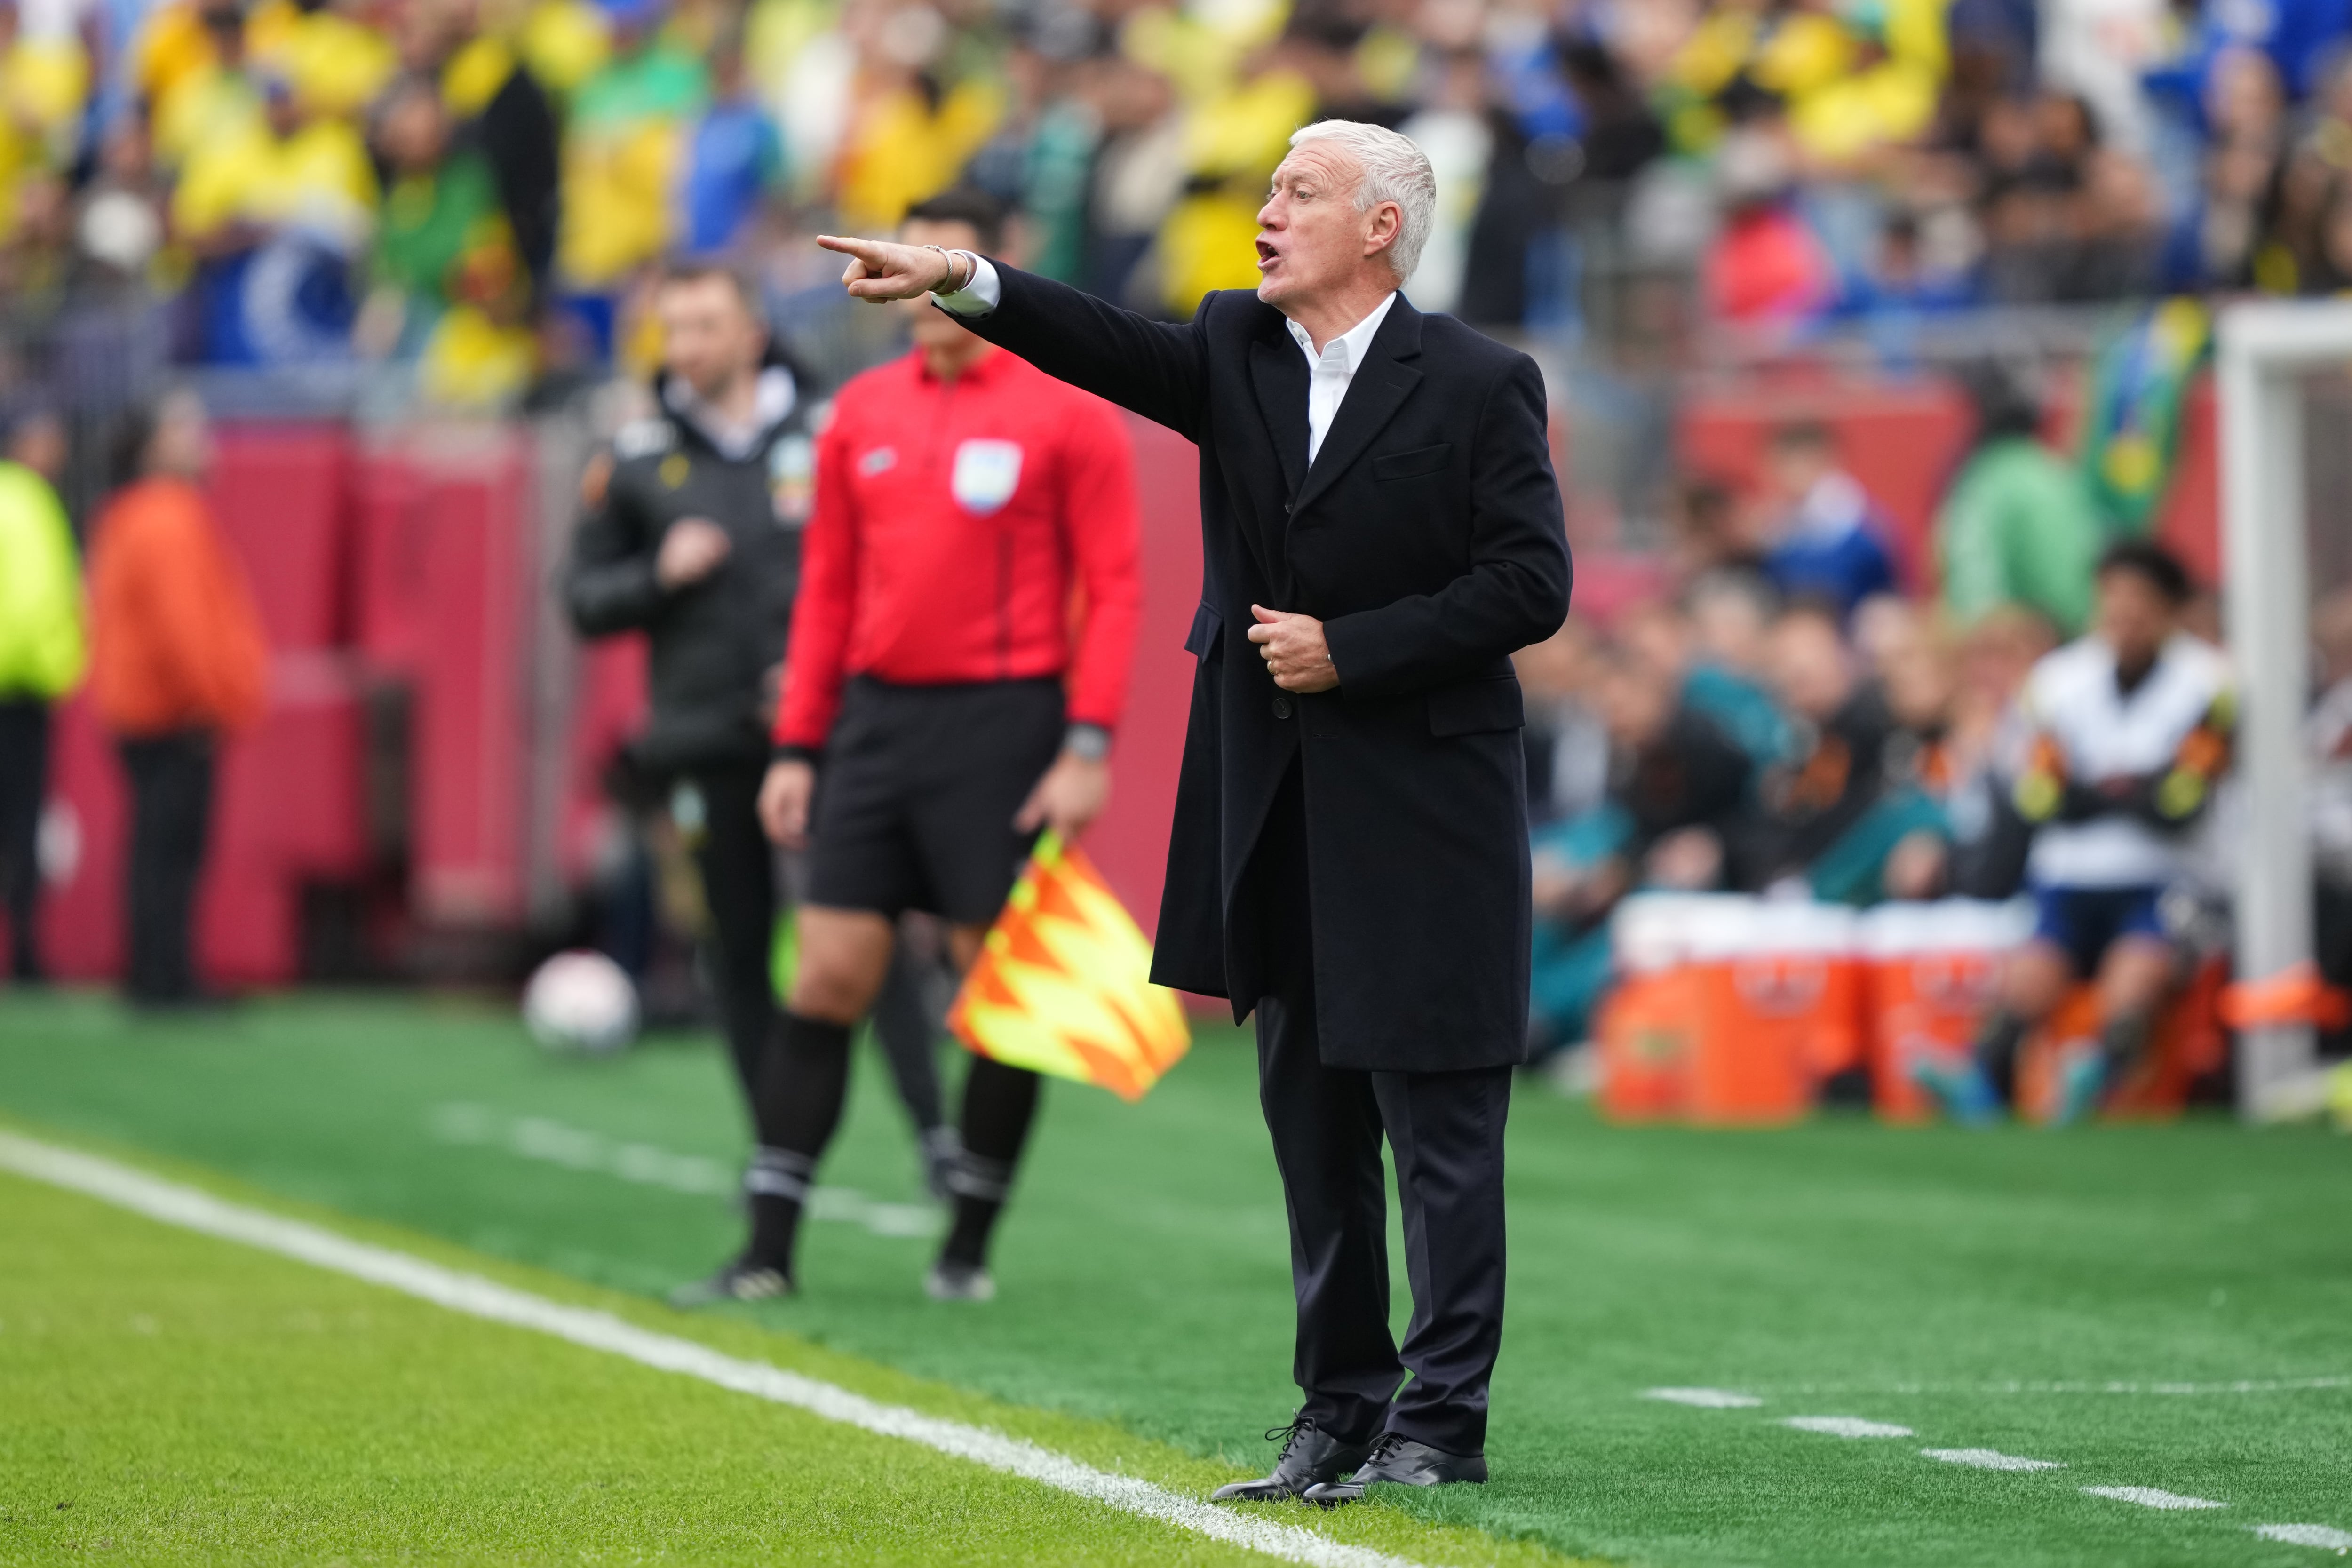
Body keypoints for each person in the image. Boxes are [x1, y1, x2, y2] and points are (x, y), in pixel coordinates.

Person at [816, 118, 1571, 1500]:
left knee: (1440, 1137)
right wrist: (956, 275)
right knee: (1309, 1125)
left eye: (1296, 193)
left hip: (1428, 817)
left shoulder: (1478, 381)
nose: (1266, 212)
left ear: (1380, 226)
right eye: (1269, 188)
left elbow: (1532, 587)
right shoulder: (1231, 346)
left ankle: (1440, 1424)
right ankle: (1337, 1407)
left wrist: (1356, 643)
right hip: (1275, 807)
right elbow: (1101, 340)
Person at [678, 188, 1144, 1306]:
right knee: (831, 972)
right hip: (875, 728)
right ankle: (767, 1254)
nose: (922, 282)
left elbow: (1116, 589)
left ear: (999, 262)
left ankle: (968, 1246)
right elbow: (828, 591)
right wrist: (798, 747)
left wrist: (1087, 743)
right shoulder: (860, 413)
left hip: (1006, 724)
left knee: (998, 992)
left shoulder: (1069, 410)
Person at [562, 262, 954, 1196]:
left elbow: (902, 566)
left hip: (826, 731)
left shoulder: (833, 429)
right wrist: (656, 573)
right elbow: (580, 601)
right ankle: (778, 1152)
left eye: (705, 325)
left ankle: (937, 1136)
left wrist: (829, 671)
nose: (687, 346)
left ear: (751, 332)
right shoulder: (631, 457)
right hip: (703, 740)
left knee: (867, 929)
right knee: (736, 947)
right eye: (674, 328)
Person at [1924, 540, 2234, 1124]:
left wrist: (2096, 787)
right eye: (2112, 600)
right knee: (2026, 983)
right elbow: (2041, 795)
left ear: (2167, 608)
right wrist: (2131, 786)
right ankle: (1981, 1089)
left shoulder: (2208, 681)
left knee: (2133, 982)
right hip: (2070, 874)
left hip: (2165, 877)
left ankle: (2091, 1084)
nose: (2123, 616)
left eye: (2138, 602)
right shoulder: (2057, 680)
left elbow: (2181, 801)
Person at [87, 390, 270, 1006]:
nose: (202, 438)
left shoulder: (138, 514)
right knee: (171, 853)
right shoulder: (167, 517)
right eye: (186, 428)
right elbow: (184, 628)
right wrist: (214, 700)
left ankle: (156, 972)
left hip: (147, 709)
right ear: (156, 446)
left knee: (156, 848)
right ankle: (166, 977)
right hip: (173, 713)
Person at [0, 409, 86, 983]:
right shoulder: (26, 501)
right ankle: (25, 952)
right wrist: (57, 666)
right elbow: (33, 605)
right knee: (20, 822)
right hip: (19, 690)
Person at [1935, 360, 2105, 637]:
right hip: (2028, 652)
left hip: (1999, 654)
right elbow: (2071, 598)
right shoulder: (2043, 475)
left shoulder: (1976, 478)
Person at [1750, 421, 1899, 620]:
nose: (1793, 473)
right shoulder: (1776, 526)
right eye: (1785, 462)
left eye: (1803, 461)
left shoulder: (1863, 522)